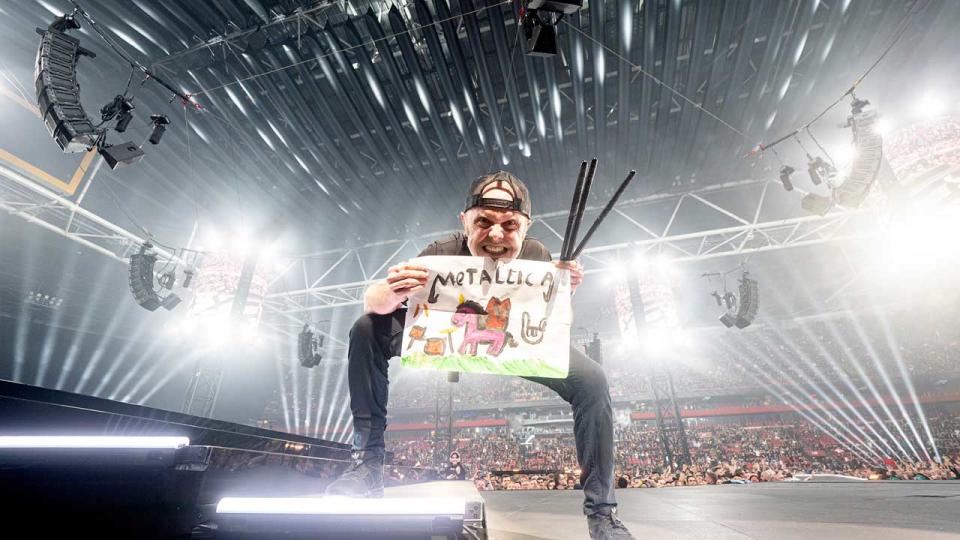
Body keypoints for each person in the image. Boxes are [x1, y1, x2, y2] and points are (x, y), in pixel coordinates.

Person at [325, 171, 634, 539]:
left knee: (593, 380)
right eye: (483, 223)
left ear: (526, 226)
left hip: (511, 347)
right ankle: (367, 466)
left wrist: (567, 289)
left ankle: (602, 514)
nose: (497, 235)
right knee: (365, 329)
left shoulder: (538, 256)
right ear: (464, 221)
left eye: (509, 225)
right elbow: (372, 302)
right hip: (450, 341)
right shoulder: (441, 253)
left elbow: (550, 319)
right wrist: (392, 293)